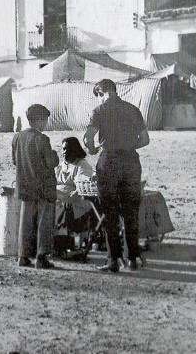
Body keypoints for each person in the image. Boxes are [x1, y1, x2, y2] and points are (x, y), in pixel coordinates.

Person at [84, 79, 150, 273]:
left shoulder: (99, 111)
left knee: (110, 212)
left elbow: (88, 136)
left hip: (109, 162)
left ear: (100, 92)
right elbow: (145, 139)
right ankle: (132, 259)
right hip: (131, 162)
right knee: (130, 212)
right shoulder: (132, 109)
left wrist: (93, 149)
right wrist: (128, 146)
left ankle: (113, 259)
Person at [12, 104, 59, 269]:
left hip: (25, 186)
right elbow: (51, 162)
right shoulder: (42, 139)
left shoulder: (18, 137)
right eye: (45, 120)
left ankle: (23, 256)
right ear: (39, 120)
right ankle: (41, 257)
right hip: (43, 187)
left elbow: (14, 161)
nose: (45, 123)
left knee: (25, 222)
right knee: (43, 223)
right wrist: (55, 155)